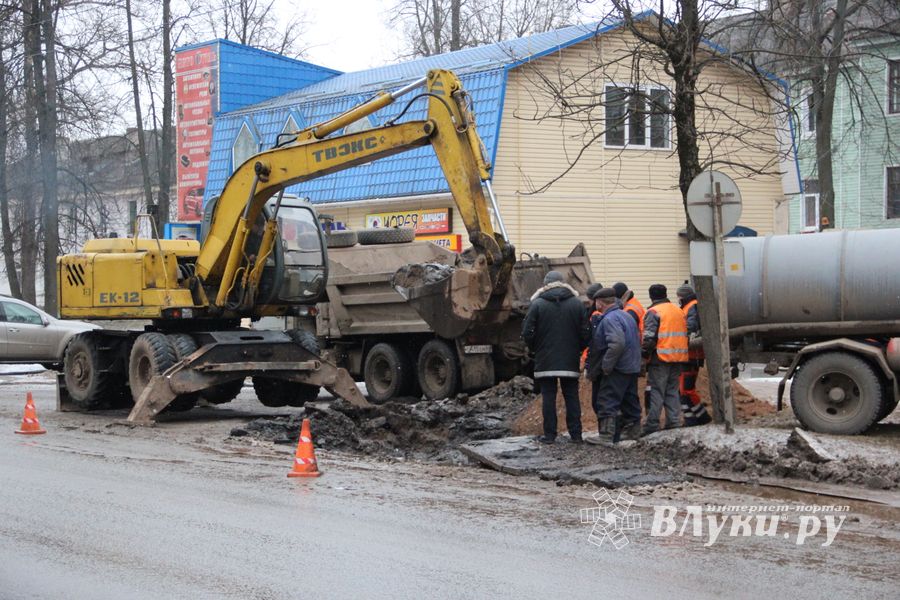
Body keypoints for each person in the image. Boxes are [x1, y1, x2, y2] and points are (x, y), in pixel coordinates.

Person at [522, 271, 590, 444]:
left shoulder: (537, 304)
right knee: (571, 397)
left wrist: (535, 349)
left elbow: (527, 332)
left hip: (545, 359)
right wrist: (577, 349)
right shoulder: (577, 304)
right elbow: (586, 332)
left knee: (549, 397)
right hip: (570, 358)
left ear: (546, 284)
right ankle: (576, 435)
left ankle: (550, 435)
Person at [585, 287, 642, 444]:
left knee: (607, 399)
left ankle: (606, 435)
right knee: (629, 400)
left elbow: (616, 343)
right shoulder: (625, 316)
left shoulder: (609, 319)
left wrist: (607, 365)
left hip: (618, 367)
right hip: (631, 365)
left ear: (599, 303)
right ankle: (633, 431)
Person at [642, 284, 689, 436]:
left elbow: (649, 338)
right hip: (678, 357)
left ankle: (652, 423)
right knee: (672, 390)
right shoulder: (678, 310)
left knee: (657, 390)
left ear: (651, 296)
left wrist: (643, 356)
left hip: (660, 357)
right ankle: (674, 421)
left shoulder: (653, 311)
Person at [676, 283, 712, 426]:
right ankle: (692, 418)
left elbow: (690, 327)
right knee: (684, 390)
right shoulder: (690, 306)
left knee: (686, 390)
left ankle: (700, 418)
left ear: (683, 296)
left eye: (678, 296)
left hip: (692, 355)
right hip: (689, 354)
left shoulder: (692, 306)